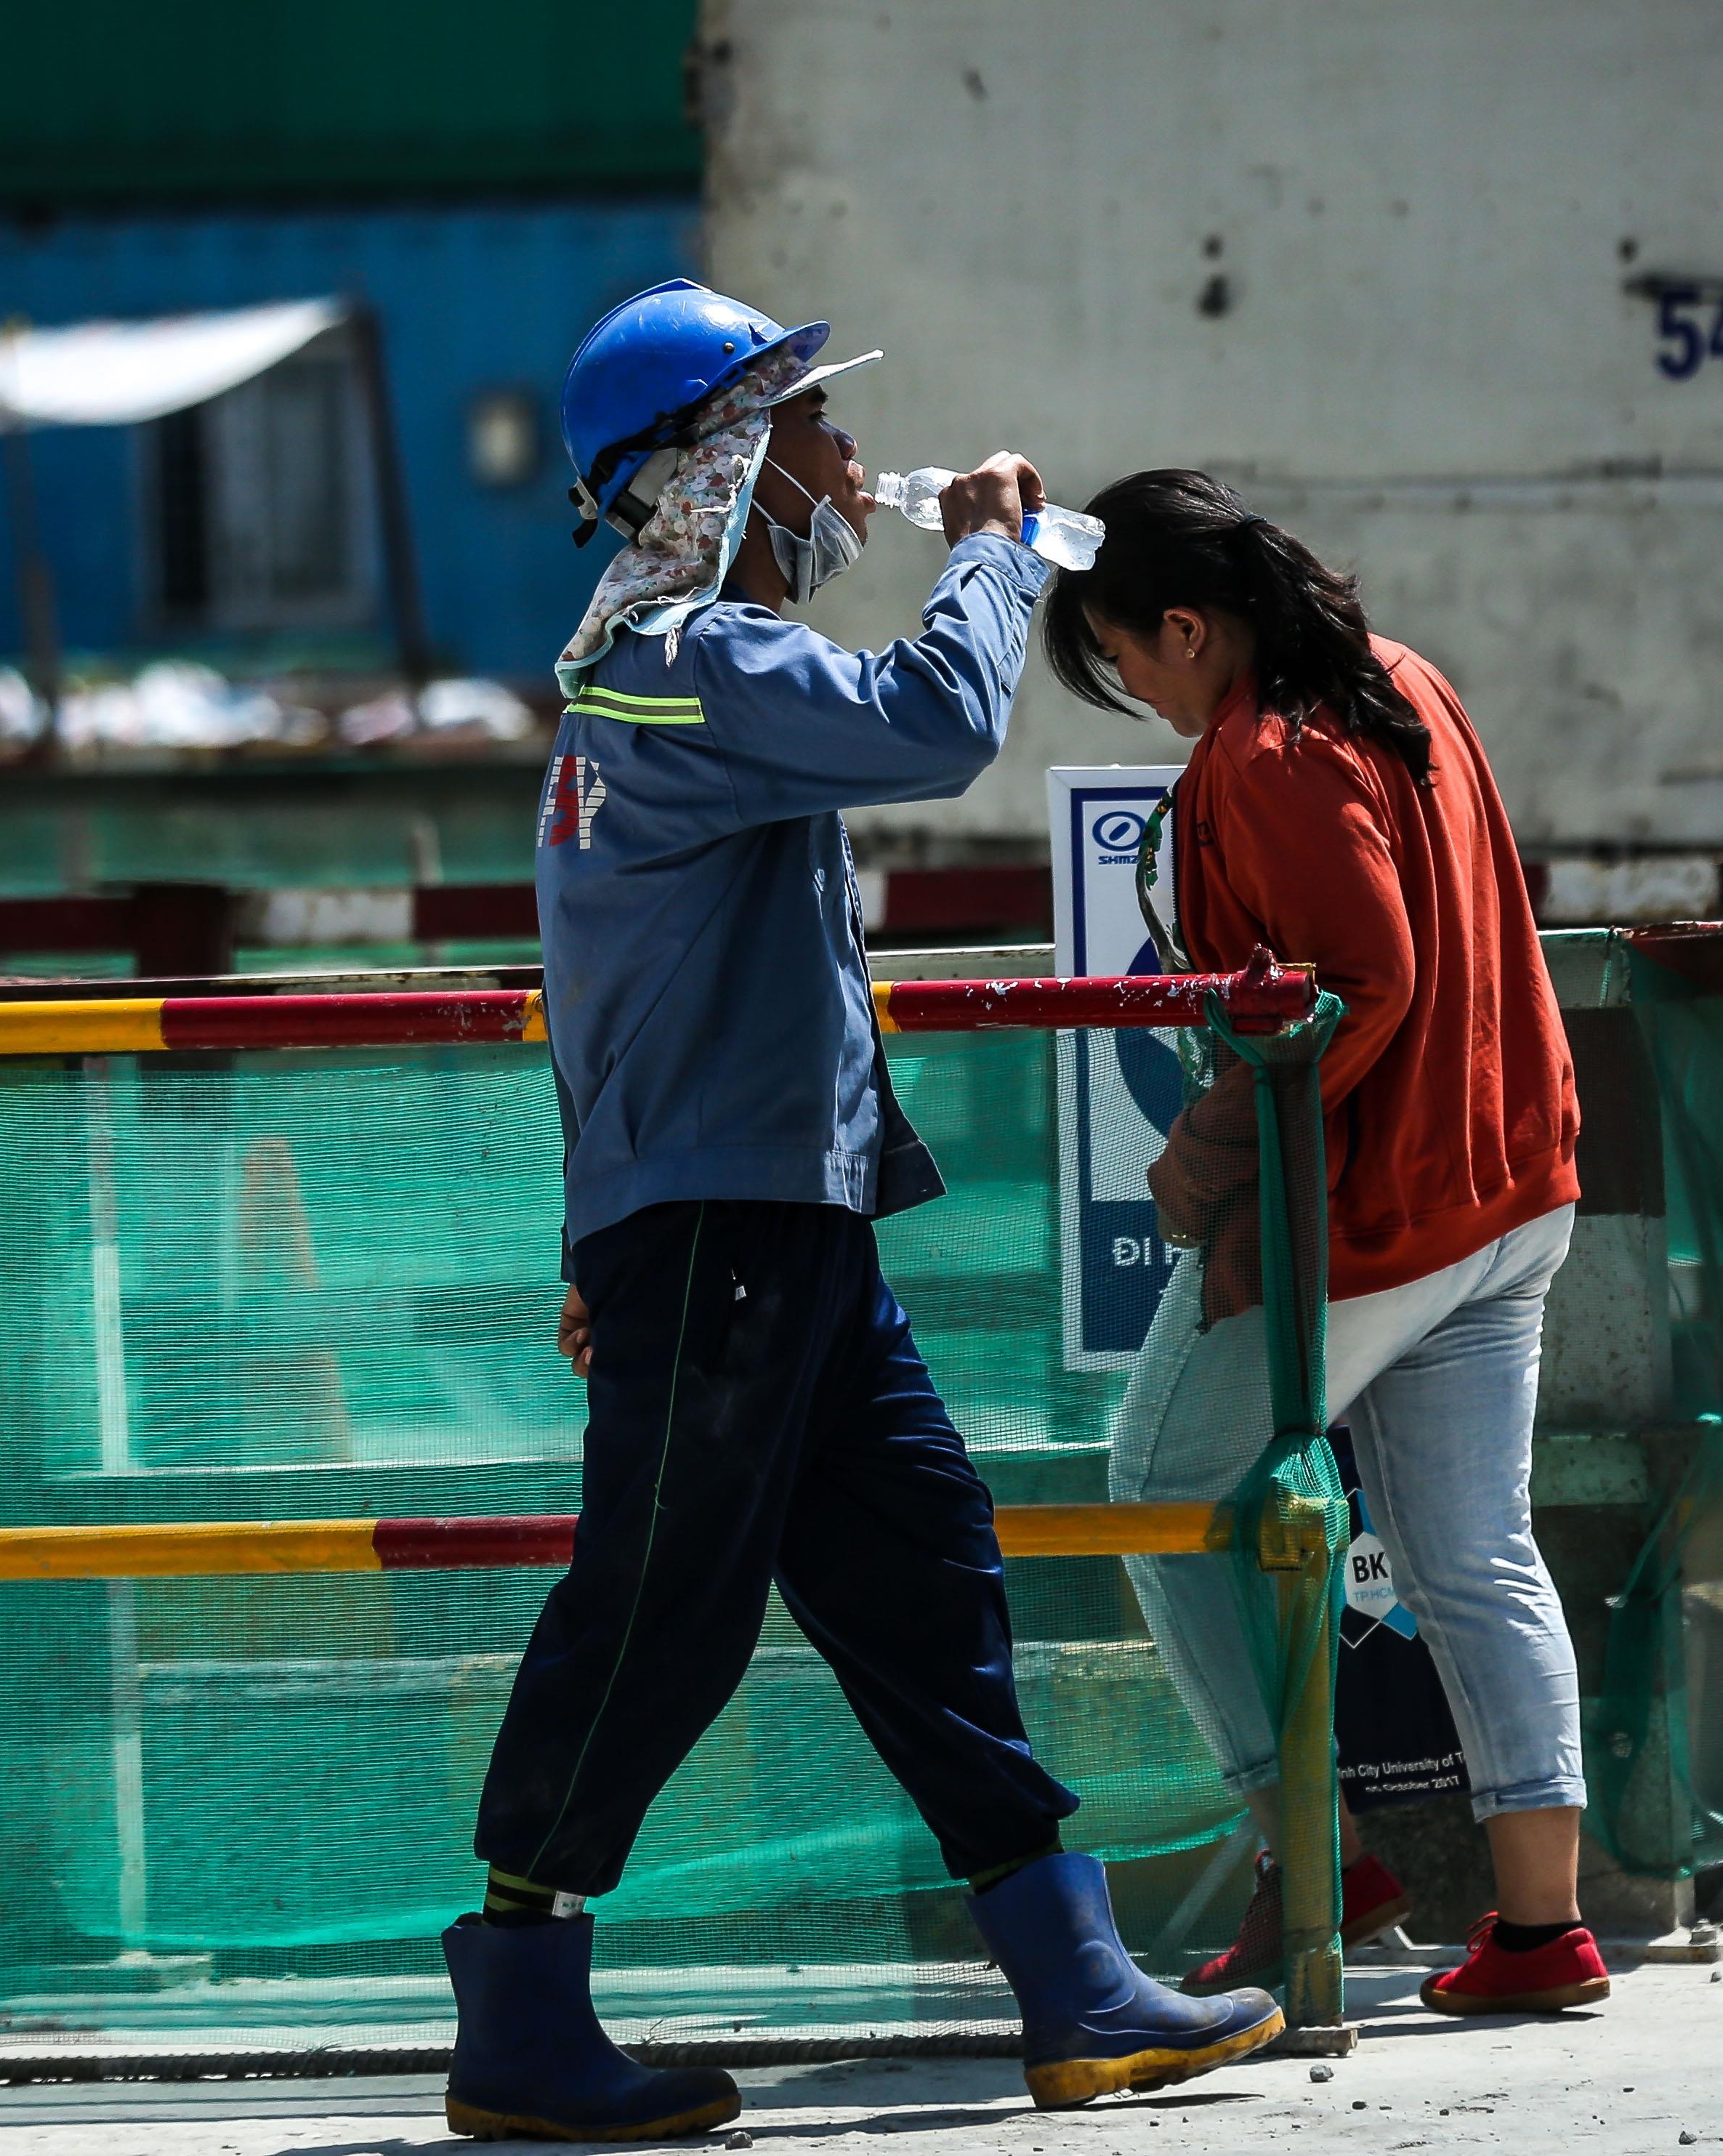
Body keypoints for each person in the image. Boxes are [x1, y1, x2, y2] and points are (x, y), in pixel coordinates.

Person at [440, 286, 1280, 2143]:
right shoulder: (673, 662)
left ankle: (1072, 1979)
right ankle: (514, 1998)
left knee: (924, 1575)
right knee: (659, 1605)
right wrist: (987, 553)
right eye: (808, 430)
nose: (843, 466)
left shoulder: (682, 672)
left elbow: (614, 991)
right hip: (727, 1231)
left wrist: (608, 1231)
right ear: (715, 470)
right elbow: (934, 724)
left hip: (781, 1228)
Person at [1045, 471, 1607, 2016]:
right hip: (1507, 1187)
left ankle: (1312, 1852)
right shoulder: (1397, 675)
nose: (1141, 700)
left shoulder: (1266, 751)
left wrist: (1204, 1155)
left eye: (1132, 663)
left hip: (1373, 1218)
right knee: (1475, 1550)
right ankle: (1540, 1928)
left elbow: (1358, 979)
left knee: (1159, 1483)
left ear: (1185, 622)